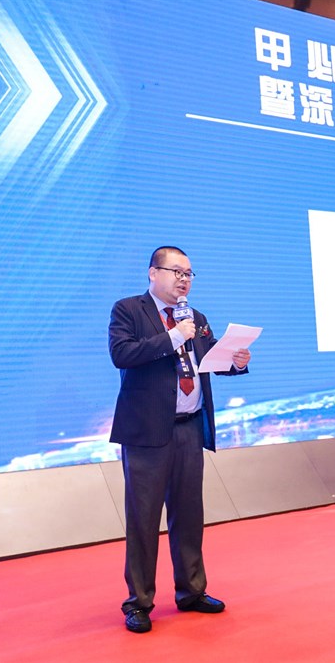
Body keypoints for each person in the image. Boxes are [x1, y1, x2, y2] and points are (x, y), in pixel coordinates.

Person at [108, 245, 251, 633]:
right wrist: (173, 336)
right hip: (147, 433)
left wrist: (235, 363)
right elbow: (122, 354)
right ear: (153, 273)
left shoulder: (196, 317)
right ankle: (138, 602)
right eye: (177, 272)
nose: (184, 279)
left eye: (189, 273)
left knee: (189, 515)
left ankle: (191, 591)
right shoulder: (128, 310)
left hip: (189, 427)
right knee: (144, 519)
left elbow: (209, 359)